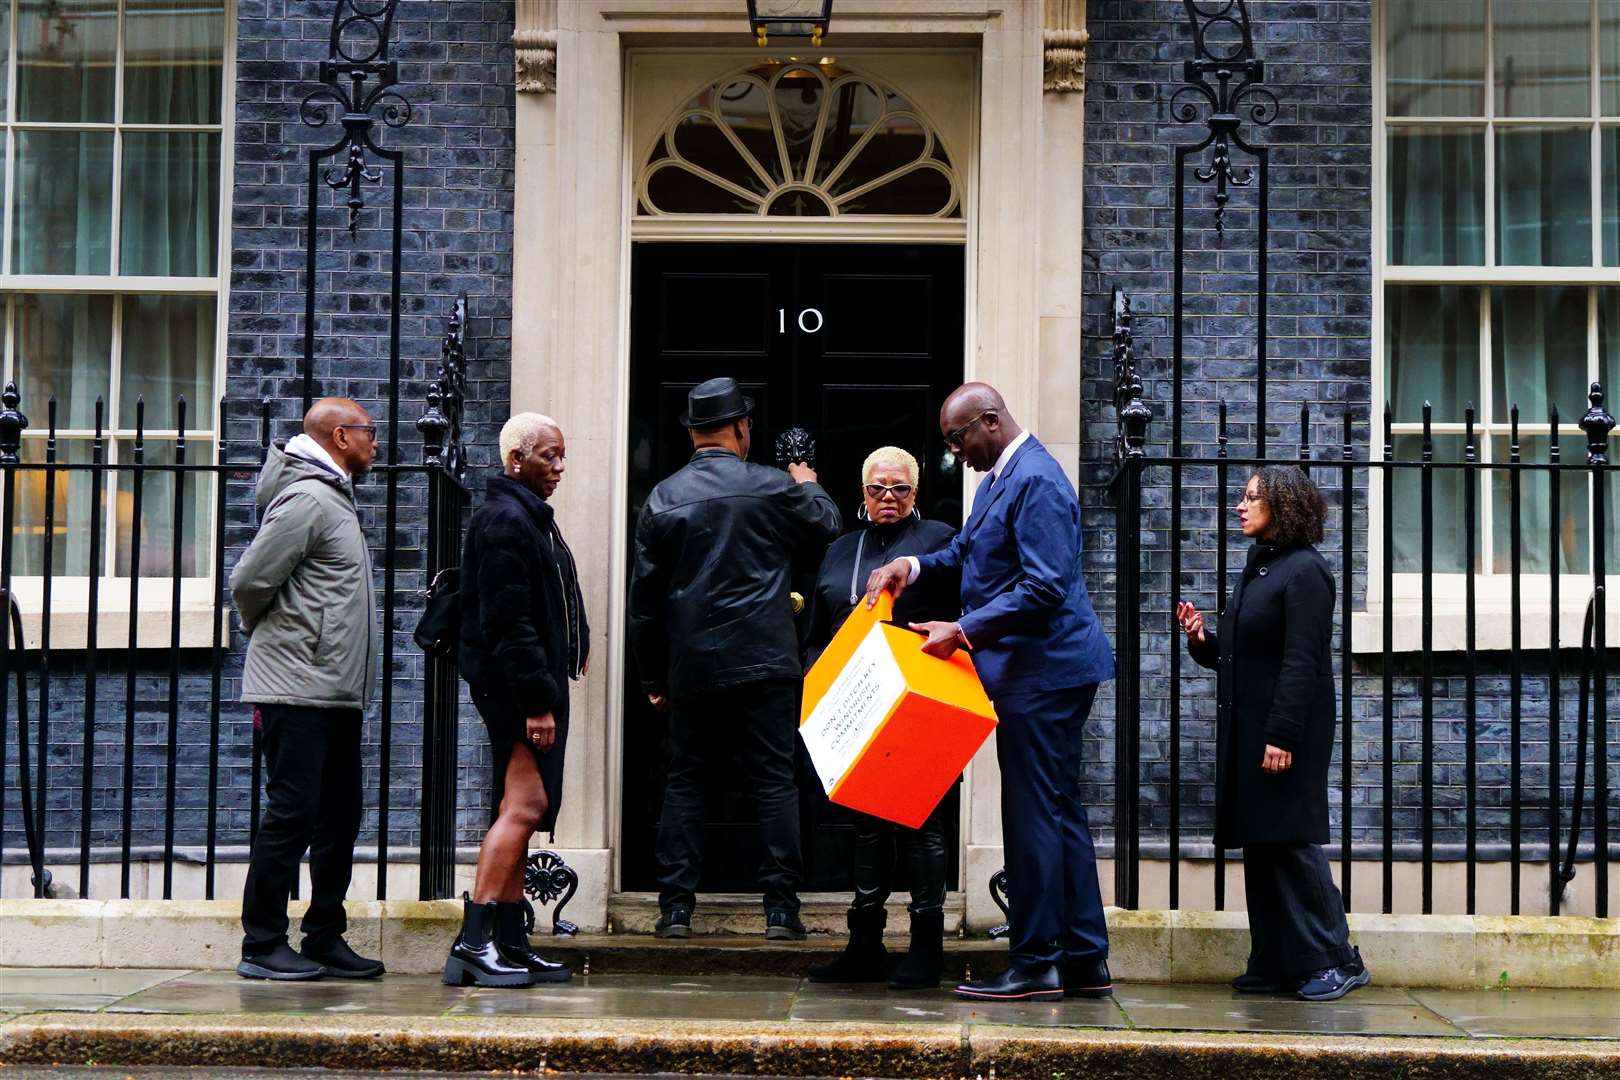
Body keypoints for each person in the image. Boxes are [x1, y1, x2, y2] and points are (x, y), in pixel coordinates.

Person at [865, 382, 1114, 1003]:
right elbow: (968, 552)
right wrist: (912, 567)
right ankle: (1084, 958)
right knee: (1058, 814)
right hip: (1037, 673)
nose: (955, 453)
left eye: (958, 439)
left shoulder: (1037, 480)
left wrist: (964, 629)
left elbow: (1046, 586)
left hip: (1046, 674)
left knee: (1033, 816)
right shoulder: (1004, 477)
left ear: (990, 421)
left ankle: (1035, 962)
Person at [629, 377, 842, 940]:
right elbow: (827, 525)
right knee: (774, 781)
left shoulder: (663, 499)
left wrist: (653, 674)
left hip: (692, 665)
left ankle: (675, 908)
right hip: (766, 661)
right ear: (742, 429)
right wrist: (808, 481)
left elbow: (645, 604)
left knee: (686, 782)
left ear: (694, 434)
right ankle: (780, 910)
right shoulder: (773, 488)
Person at [1176, 466, 1370, 1002]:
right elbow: (1240, 656)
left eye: (1253, 498)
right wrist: (1201, 640)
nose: (1241, 506)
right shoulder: (1262, 567)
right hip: (1254, 730)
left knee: (1290, 844)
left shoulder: (1307, 571)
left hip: (1288, 734)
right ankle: (1277, 962)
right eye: (1242, 496)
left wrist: (1282, 734)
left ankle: (1337, 958)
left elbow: (1303, 662)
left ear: (1282, 507)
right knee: (1262, 848)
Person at [231, 398, 383, 981]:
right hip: (296, 688)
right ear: (341, 436)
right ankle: (262, 943)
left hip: (334, 690)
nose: (375, 443)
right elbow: (249, 581)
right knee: (292, 814)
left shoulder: (333, 497)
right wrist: (282, 639)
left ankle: (323, 935)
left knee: (341, 815)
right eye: (369, 432)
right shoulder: (306, 498)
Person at [802, 446, 961, 990]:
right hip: (856, 701)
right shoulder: (842, 548)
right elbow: (819, 628)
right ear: (862, 493)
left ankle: (926, 949)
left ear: (916, 493)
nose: (887, 498)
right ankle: (863, 945)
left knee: (924, 823)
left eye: (898, 488)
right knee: (868, 826)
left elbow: (964, 610)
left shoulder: (940, 541)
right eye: (877, 489)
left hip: (921, 700)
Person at [445, 413, 588, 988]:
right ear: (515, 460)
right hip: (518, 694)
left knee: (519, 810)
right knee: (523, 809)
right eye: (548, 455)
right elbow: (509, 623)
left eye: (562, 456)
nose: (558, 466)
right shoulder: (507, 521)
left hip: (526, 688)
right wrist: (537, 701)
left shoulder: (524, 517)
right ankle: (475, 943)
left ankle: (509, 939)